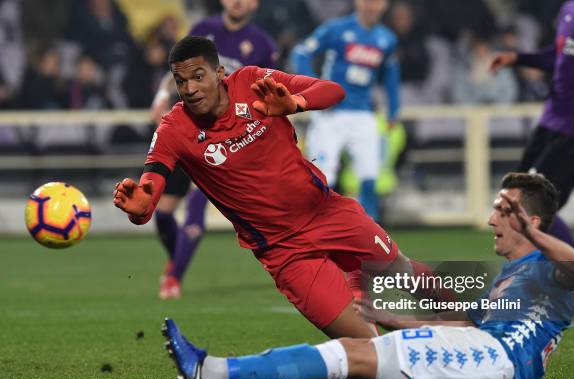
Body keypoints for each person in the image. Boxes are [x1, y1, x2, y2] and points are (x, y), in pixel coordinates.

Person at [161, 172, 574, 379]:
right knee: (357, 360)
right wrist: (391, 317)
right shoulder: (509, 279)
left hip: (491, 362)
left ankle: (210, 372)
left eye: (503, 209)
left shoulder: (548, 271)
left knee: (349, 353)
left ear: (530, 221)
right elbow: (461, 323)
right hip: (480, 357)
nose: (493, 216)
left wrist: (532, 234)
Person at [114, 36, 447, 342]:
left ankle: (476, 328)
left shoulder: (251, 82)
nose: (189, 88)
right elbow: (149, 190)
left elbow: (331, 90)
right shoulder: (174, 129)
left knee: (404, 274)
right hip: (284, 252)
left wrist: (295, 104)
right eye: (181, 81)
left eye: (198, 76)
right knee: (368, 347)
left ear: (219, 72)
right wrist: (141, 206)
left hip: (327, 212)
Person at [149, 0, 278, 299]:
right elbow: (178, 72)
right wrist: (160, 95)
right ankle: (176, 257)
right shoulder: (202, 31)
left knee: (199, 198)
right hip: (189, 127)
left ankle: (173, 278)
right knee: (163, 213)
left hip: (228, 134)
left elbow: (266, 91)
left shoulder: (263, 45)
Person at [490, 0, 574, 302]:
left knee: (538, 203)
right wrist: (517, 57)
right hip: (551, 118)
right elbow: (557, 56)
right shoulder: (570, 8)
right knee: (517, 192)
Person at [291, 0, 400, 221]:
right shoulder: (336, 29)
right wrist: (312, 90)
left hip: (364, 116)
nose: (371, 5)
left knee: (370, 179)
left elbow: (391, 75)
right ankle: (318, 232)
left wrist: (394, 109)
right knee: (323, 178)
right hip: (330, 115)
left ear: (385, 5)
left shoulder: (387, 39)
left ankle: (372, 240)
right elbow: (301, 52)